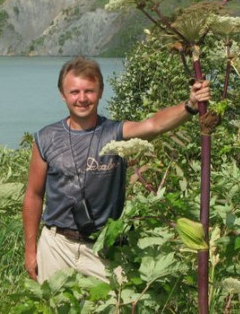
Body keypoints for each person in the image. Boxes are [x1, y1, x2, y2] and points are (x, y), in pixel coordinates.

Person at [22, 56, 211, 283]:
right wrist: (31, 251)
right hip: (56, 246)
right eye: (74, 92)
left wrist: (189, 105)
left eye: (89, 91)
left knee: (118, 303)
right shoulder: (46, 138)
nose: (82, 98)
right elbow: (33, 196)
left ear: (100, 92)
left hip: (104, 249)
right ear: (63, 94)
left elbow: (153, 124)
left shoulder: (116, 132)